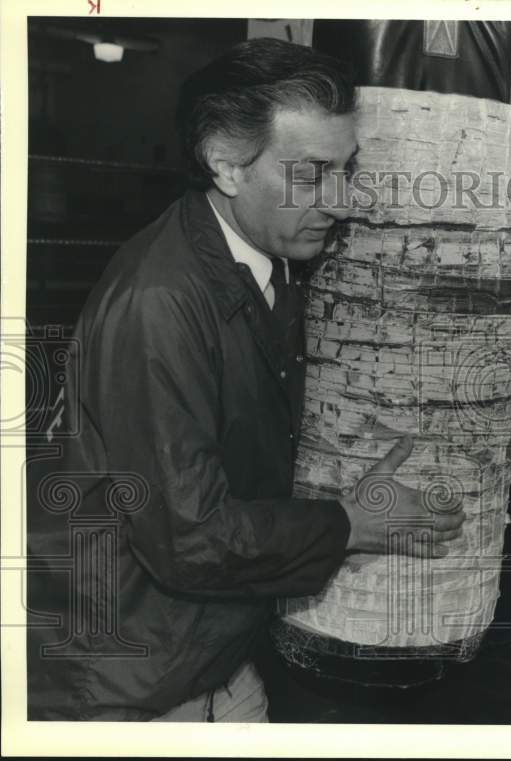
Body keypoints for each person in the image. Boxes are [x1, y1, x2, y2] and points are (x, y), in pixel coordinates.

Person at [26, 38, 465, 722]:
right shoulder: (161, 303)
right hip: (130, 684)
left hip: (210, 652)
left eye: (347, 168)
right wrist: (351, 523)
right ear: (227, 165)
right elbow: (188, 537)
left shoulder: (263, 257)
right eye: (313, 172)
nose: (342, 199)